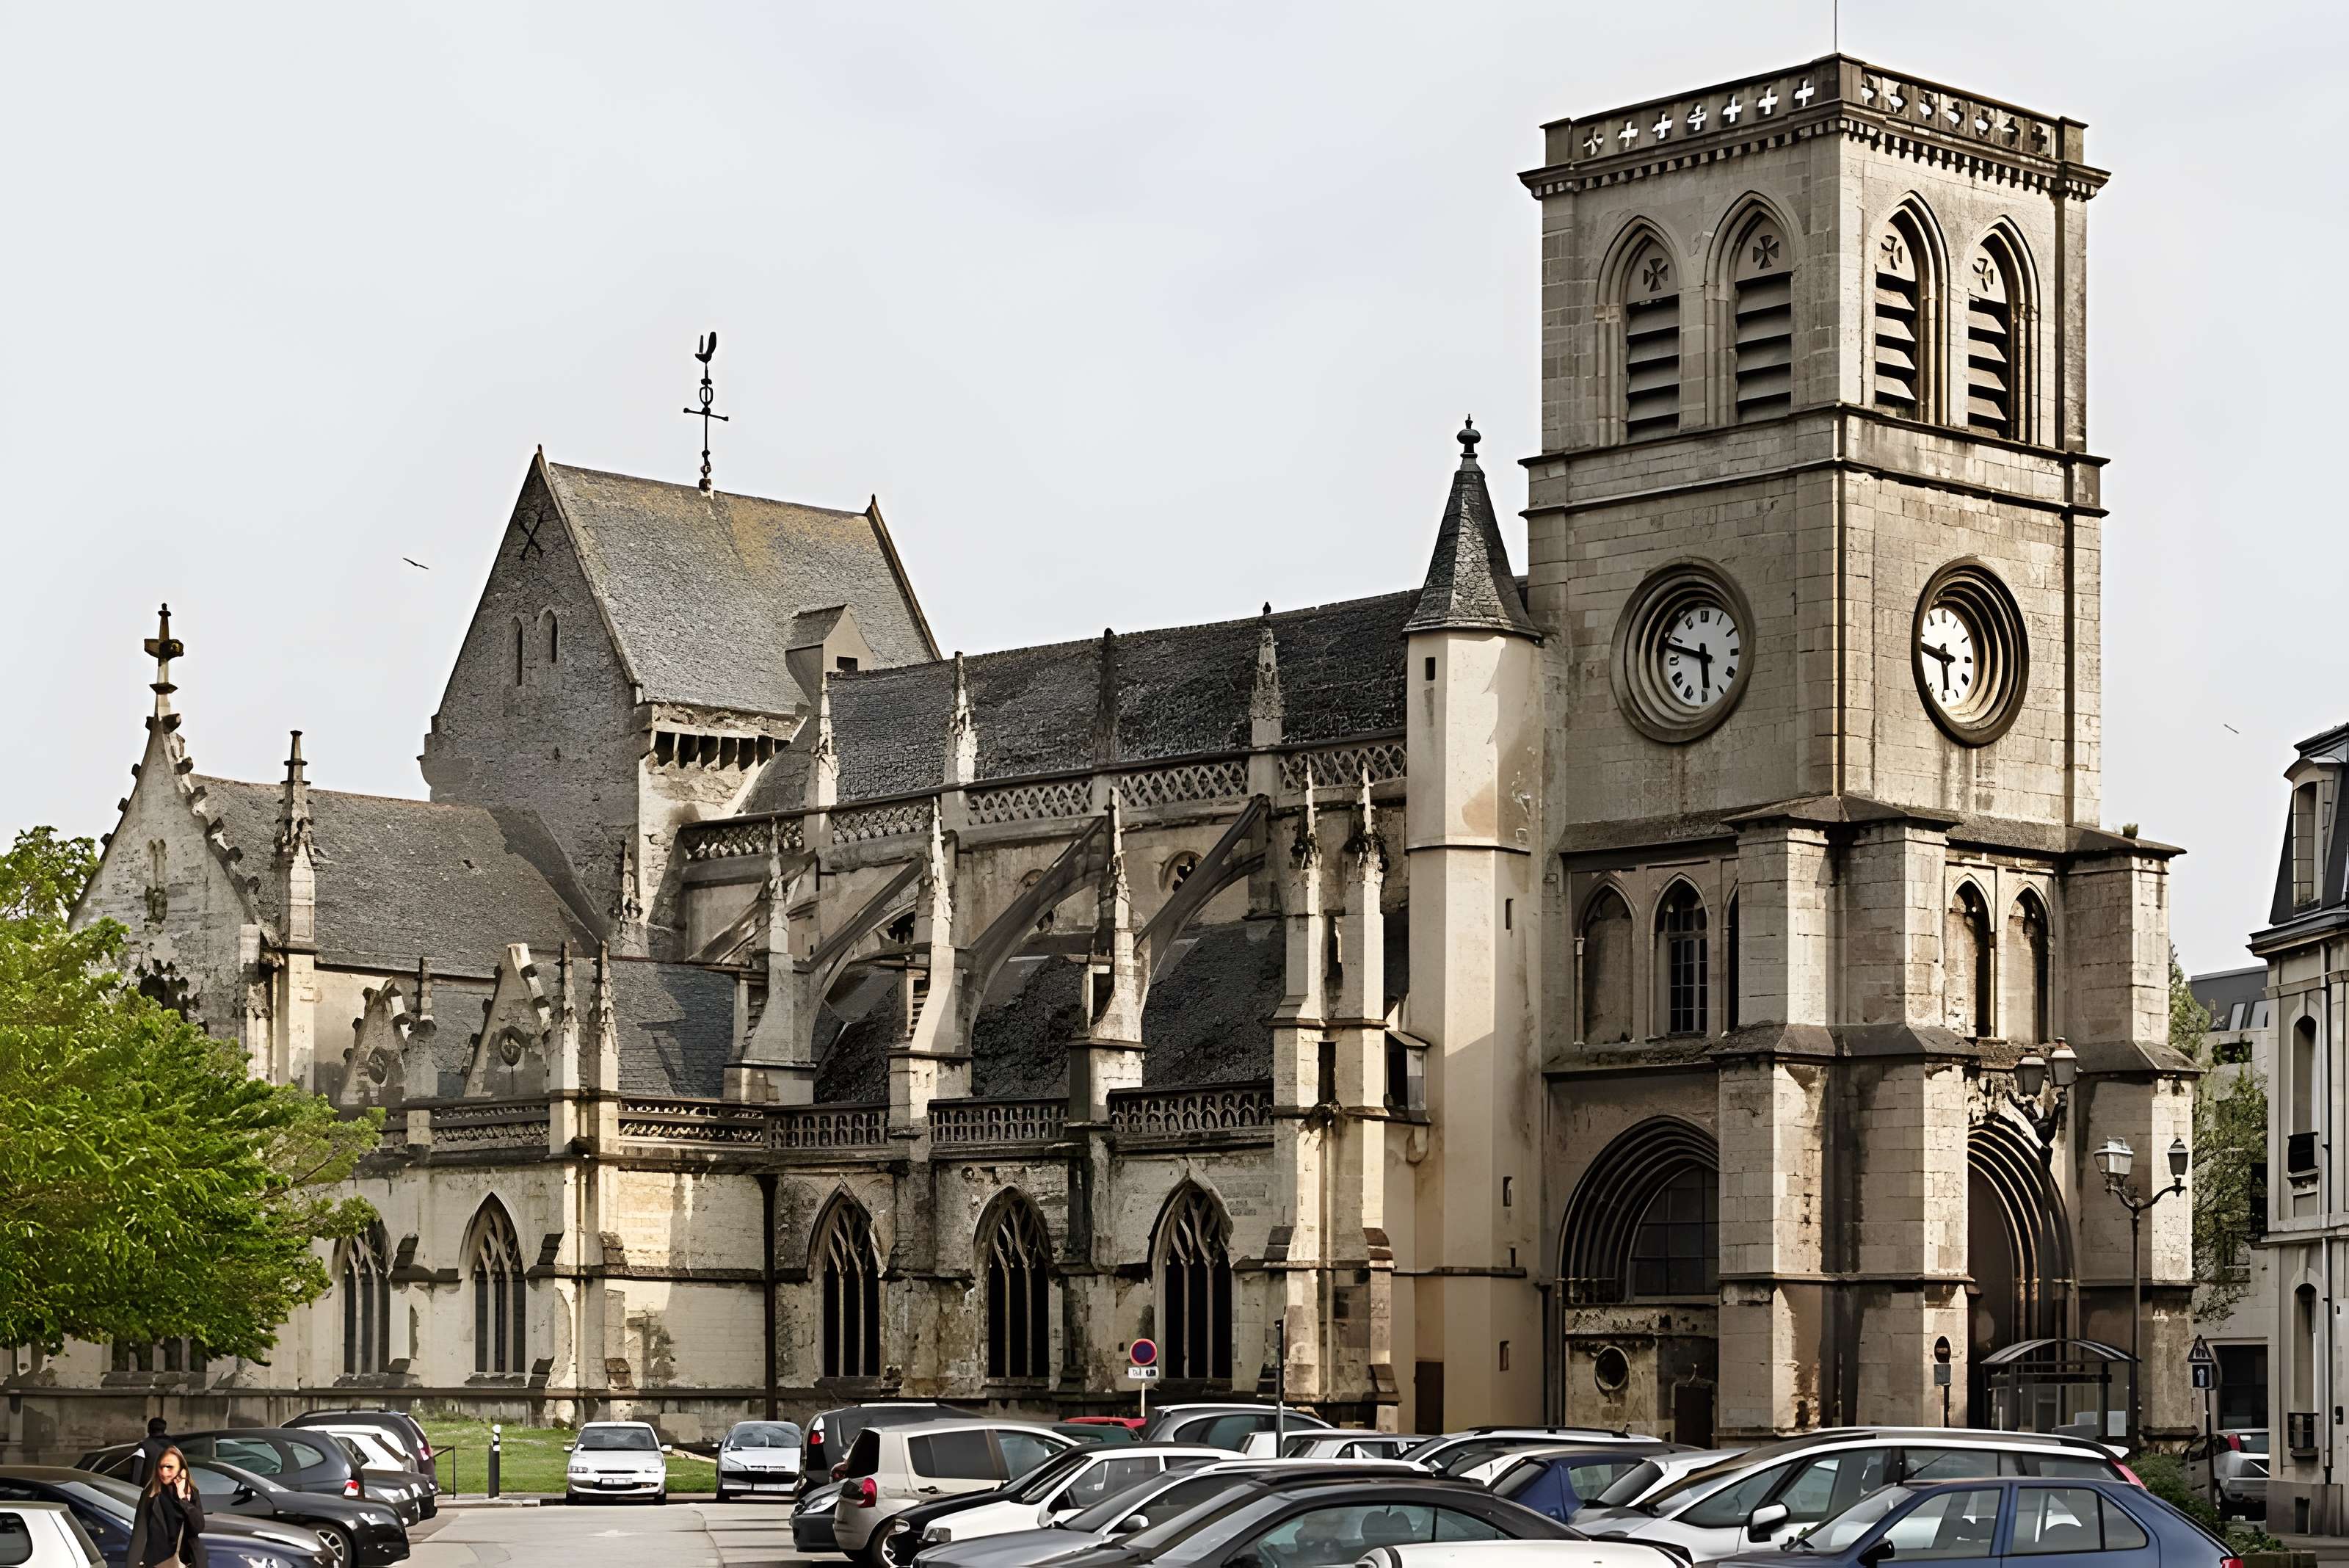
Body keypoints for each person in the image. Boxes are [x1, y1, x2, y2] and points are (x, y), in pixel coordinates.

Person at [125, 1446, 206, 1568]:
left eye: (170, 1467)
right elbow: (139, 1534)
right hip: (158, 1563)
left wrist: (183, 1499)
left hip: (187, 1563)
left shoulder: (190, 1492)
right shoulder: (151, 1494)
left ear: (181, 1468)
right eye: (161, 1467)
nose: (164, 1472)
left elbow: (198, 1527)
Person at [130, 1418, 172, 1486]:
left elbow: (137, 1474)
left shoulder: (143, 1446)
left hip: (150, 1489)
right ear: (165, 1430)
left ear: (148, 1430)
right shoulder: (175, 1445)